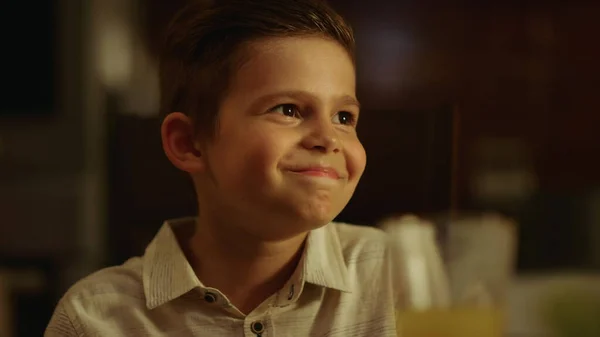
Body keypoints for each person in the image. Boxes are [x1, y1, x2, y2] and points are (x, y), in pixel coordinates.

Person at [45, 0, 401, 335]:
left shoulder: (401, 278)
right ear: (188, 143)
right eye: (288, 109)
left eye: (344, 117)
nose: (328, 137)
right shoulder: (92, 319)